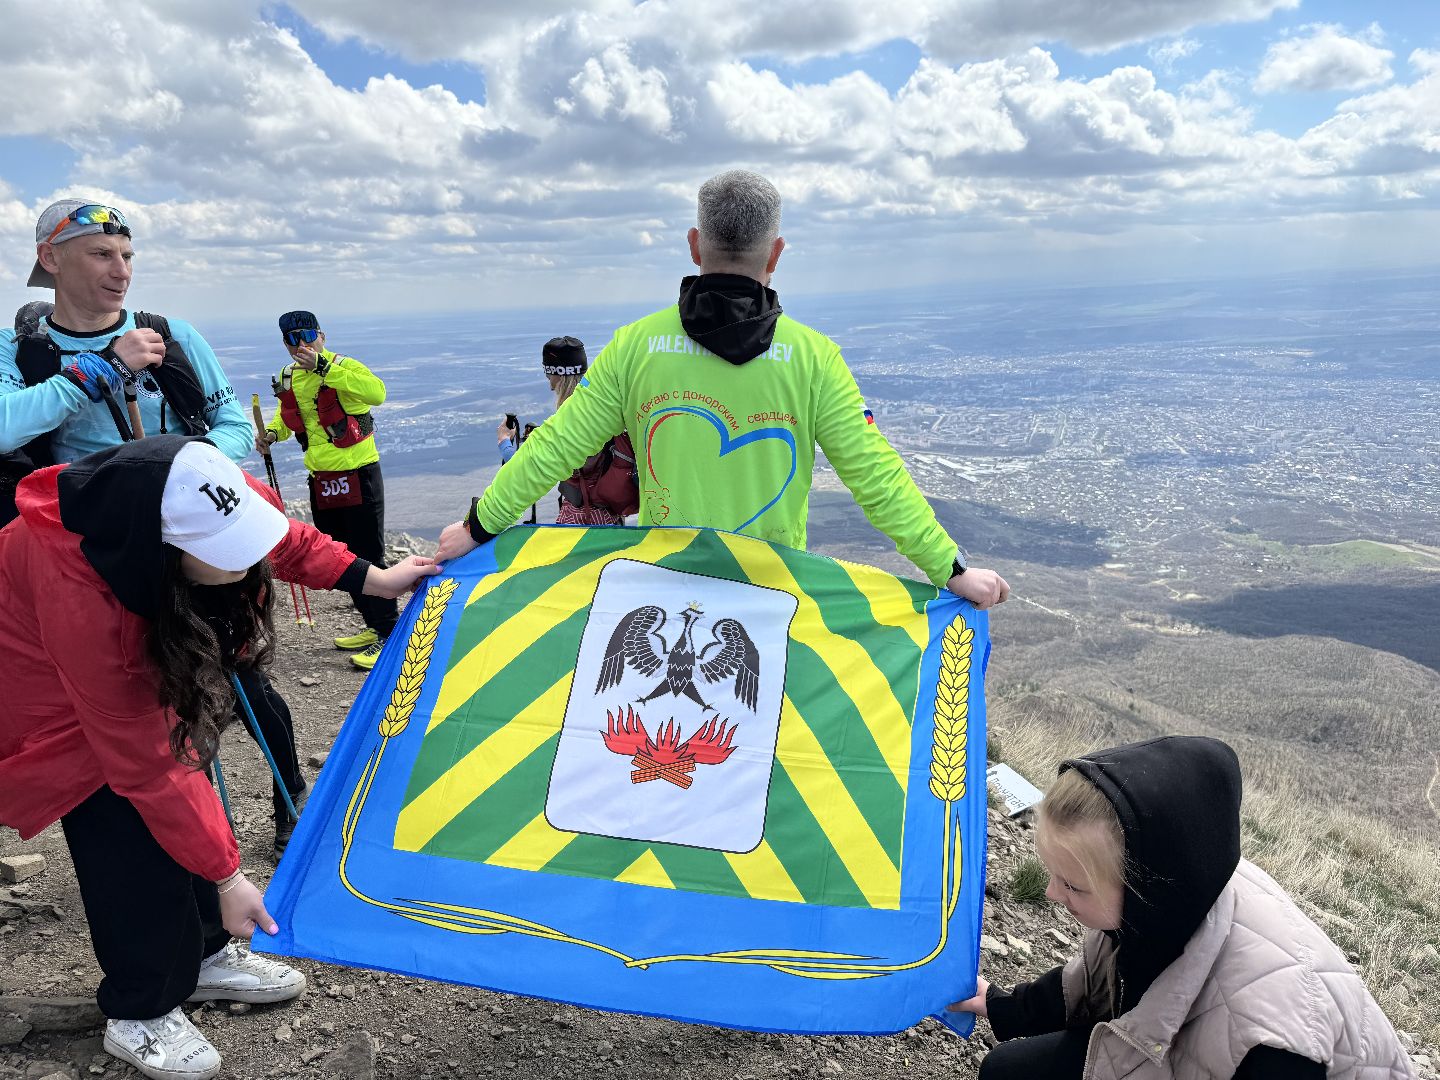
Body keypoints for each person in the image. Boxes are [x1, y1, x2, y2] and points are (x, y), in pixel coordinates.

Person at [0, 435, 439, 1080]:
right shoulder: (81, 588)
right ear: (168, 553)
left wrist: (368, 578)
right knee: (127, 832)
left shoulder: (189, 485)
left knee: (188, 787)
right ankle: (141, 1008)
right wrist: (232, 877)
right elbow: (145, 764)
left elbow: (277, 536)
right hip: (48, 703)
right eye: (229, 559)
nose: (247, 566)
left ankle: (205, 952)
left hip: (117, 668)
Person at [436, 169, 1009, 610]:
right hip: (773, 597)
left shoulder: (637, 346)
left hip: (663, 592)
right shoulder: (814, 358)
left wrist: (477, 526)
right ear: (776, 254)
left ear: (693, 244)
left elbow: (555, 447)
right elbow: (875, 476)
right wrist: (950, 571)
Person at [1, 200, 307, 859]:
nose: (122, 271)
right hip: (90, 556)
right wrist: (99, 371)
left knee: (240, 676)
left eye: (128, 255)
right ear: (51, 260)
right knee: (136, 689)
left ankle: (292, 800)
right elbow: (4, 426)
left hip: (193, 541)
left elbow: (229, 423)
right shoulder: (22, 352)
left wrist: (179, 479)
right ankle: (176, 833)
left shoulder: (172, 335)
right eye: (102, 254)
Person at [948, 736, 1415, 1080]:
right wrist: (1000, 1005)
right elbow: (1099, 980)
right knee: (1008, 1072)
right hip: (1183, 1054)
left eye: (1072, 885)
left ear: (1148, 893)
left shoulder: (1274, 1048)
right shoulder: (1172, 894)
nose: (1052, 894)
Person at [257, 311, 394, 671]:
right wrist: (272, 434)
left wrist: (323, 368)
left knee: (369, 551)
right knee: (343, 554)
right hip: (321, 477)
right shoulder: (288, 376)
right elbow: (288, 416)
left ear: (321, 334)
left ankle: (389, 633)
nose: (300, 345)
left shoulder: (343, 366)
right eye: (291, 339)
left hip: (358, 472)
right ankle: (373, 624)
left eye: (306, 336)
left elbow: (376, 393)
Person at [495, 336, 638, 525]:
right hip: (610, 518)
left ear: (560, 375)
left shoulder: (573, 423)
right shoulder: (604, 410)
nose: (549, 384)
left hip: (581, 519)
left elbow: (528, 470)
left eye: (549, 376)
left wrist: (504, 442)